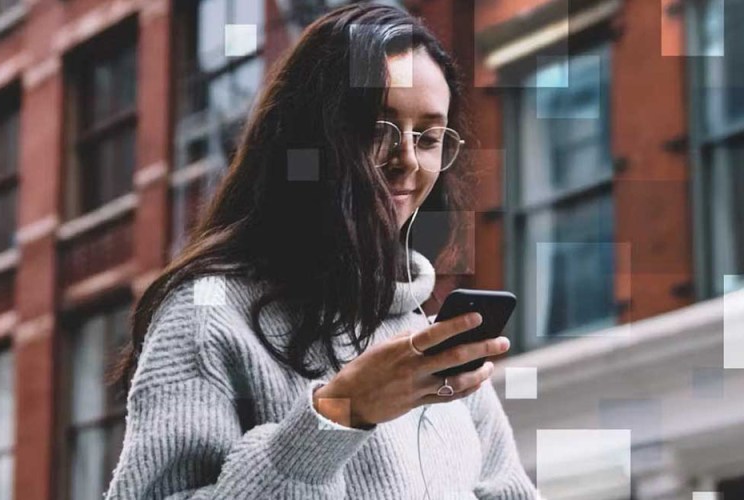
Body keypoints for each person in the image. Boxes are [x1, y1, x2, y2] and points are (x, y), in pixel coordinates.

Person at [105, 3, 540, 499]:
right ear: (310, 137)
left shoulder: (427, 341)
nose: (407, 160)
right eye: (380, 127)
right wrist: (340, 414)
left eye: (430, 136)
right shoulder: (208, 315)